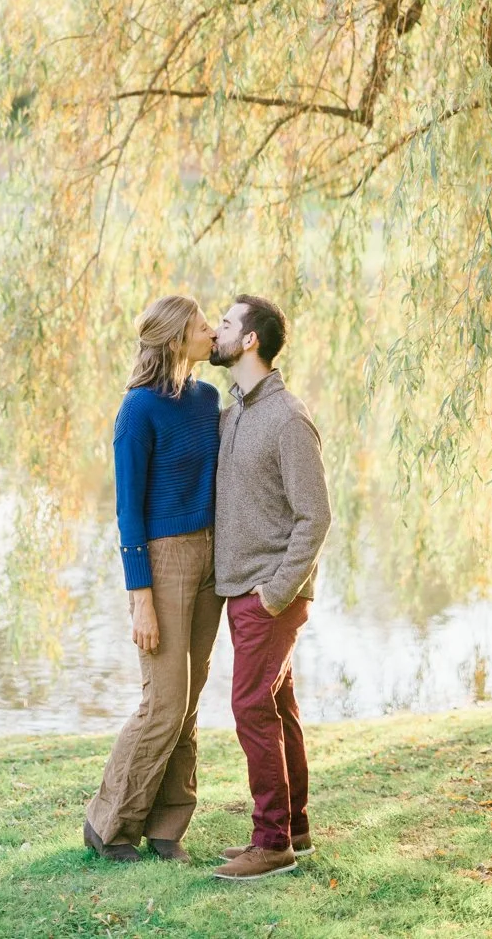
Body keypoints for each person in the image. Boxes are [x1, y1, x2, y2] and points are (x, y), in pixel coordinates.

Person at [84, 295, 224, 864]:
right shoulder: (137, 410)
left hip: (211, 558)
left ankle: (167, 828)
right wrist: (140, 597)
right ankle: (109, 824)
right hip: (164, 562)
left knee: (188, 703)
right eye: (202, 326)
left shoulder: (208, 399)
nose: (212, 332)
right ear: (175, 339)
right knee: (163, 703)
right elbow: (128, 511)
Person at [208, 294, 332, 882]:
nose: (216, 331)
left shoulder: (288, 419)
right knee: (277, 707)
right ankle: (295, 829)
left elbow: (315, 516)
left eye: (225, 323)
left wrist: (277, 592)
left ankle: (271, 842)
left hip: (270, 594)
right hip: (244, 591)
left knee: (250, 707)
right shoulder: (234, 412)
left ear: (250, 339)